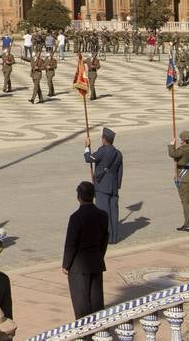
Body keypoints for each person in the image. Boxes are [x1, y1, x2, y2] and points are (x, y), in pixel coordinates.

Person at [62, 180, 109, 318]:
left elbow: (71, 244)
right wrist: (100, 255)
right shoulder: (103, 215)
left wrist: (66, 264)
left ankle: (85, 335)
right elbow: (104, 239)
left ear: (79, 197)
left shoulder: (76, 217)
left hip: (78, 265)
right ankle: (99, 331)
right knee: (96, 302)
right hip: (96, 261)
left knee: (81, 304)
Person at [83, 127, 124, 242]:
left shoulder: (102, 151)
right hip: (114, 187)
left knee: (103, 213)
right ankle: (114, 237)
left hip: (102, 187)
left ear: (104, 139)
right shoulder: (118, 153)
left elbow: (88, 159)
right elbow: (120, 172)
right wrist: (117, 186)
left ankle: (106, 238)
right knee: (114, 213)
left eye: (102, 137)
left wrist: (87, 147)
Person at [169, 130, 189, 231]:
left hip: (184, 179)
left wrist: (171, 144)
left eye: (181, 139)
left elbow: (173, 154)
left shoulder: (183, 150)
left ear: (184, 140)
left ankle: (188, 224)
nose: (180, 141)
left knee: (186, 202)